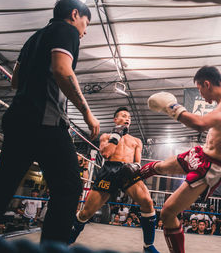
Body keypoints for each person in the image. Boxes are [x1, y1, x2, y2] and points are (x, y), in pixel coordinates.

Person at [0, 0, 100, 243]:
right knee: (68, 187)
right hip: (44, 121)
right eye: (85, 22)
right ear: (74, 14)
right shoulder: (66, 29)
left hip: (18, 117)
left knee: (3, 184)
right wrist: (86, 111)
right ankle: (54, 247)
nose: (85, 30)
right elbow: (62, 70)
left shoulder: (33, 38)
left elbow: (16, 80)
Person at [140, 65, 221, 253]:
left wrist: (172, 107)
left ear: (206, 83)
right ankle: (130, 177)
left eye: (199, 89)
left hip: (210, 168)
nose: (201, 94)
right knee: (160, 167)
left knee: (168, 212)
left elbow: (200, 124)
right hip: (201, 155)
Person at [68, 107, 158, 253]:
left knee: (147, 202)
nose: (127, 118)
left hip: (128, 171)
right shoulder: (106, 136)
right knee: (86, 213)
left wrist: (135, 167)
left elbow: (137, 162)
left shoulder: (136, 141)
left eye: (129, 117)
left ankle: (148, 246)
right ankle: (70, 238)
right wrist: (116, 134)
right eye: (123, 116)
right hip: (109, 170)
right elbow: (106, 153)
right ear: (115, 120)